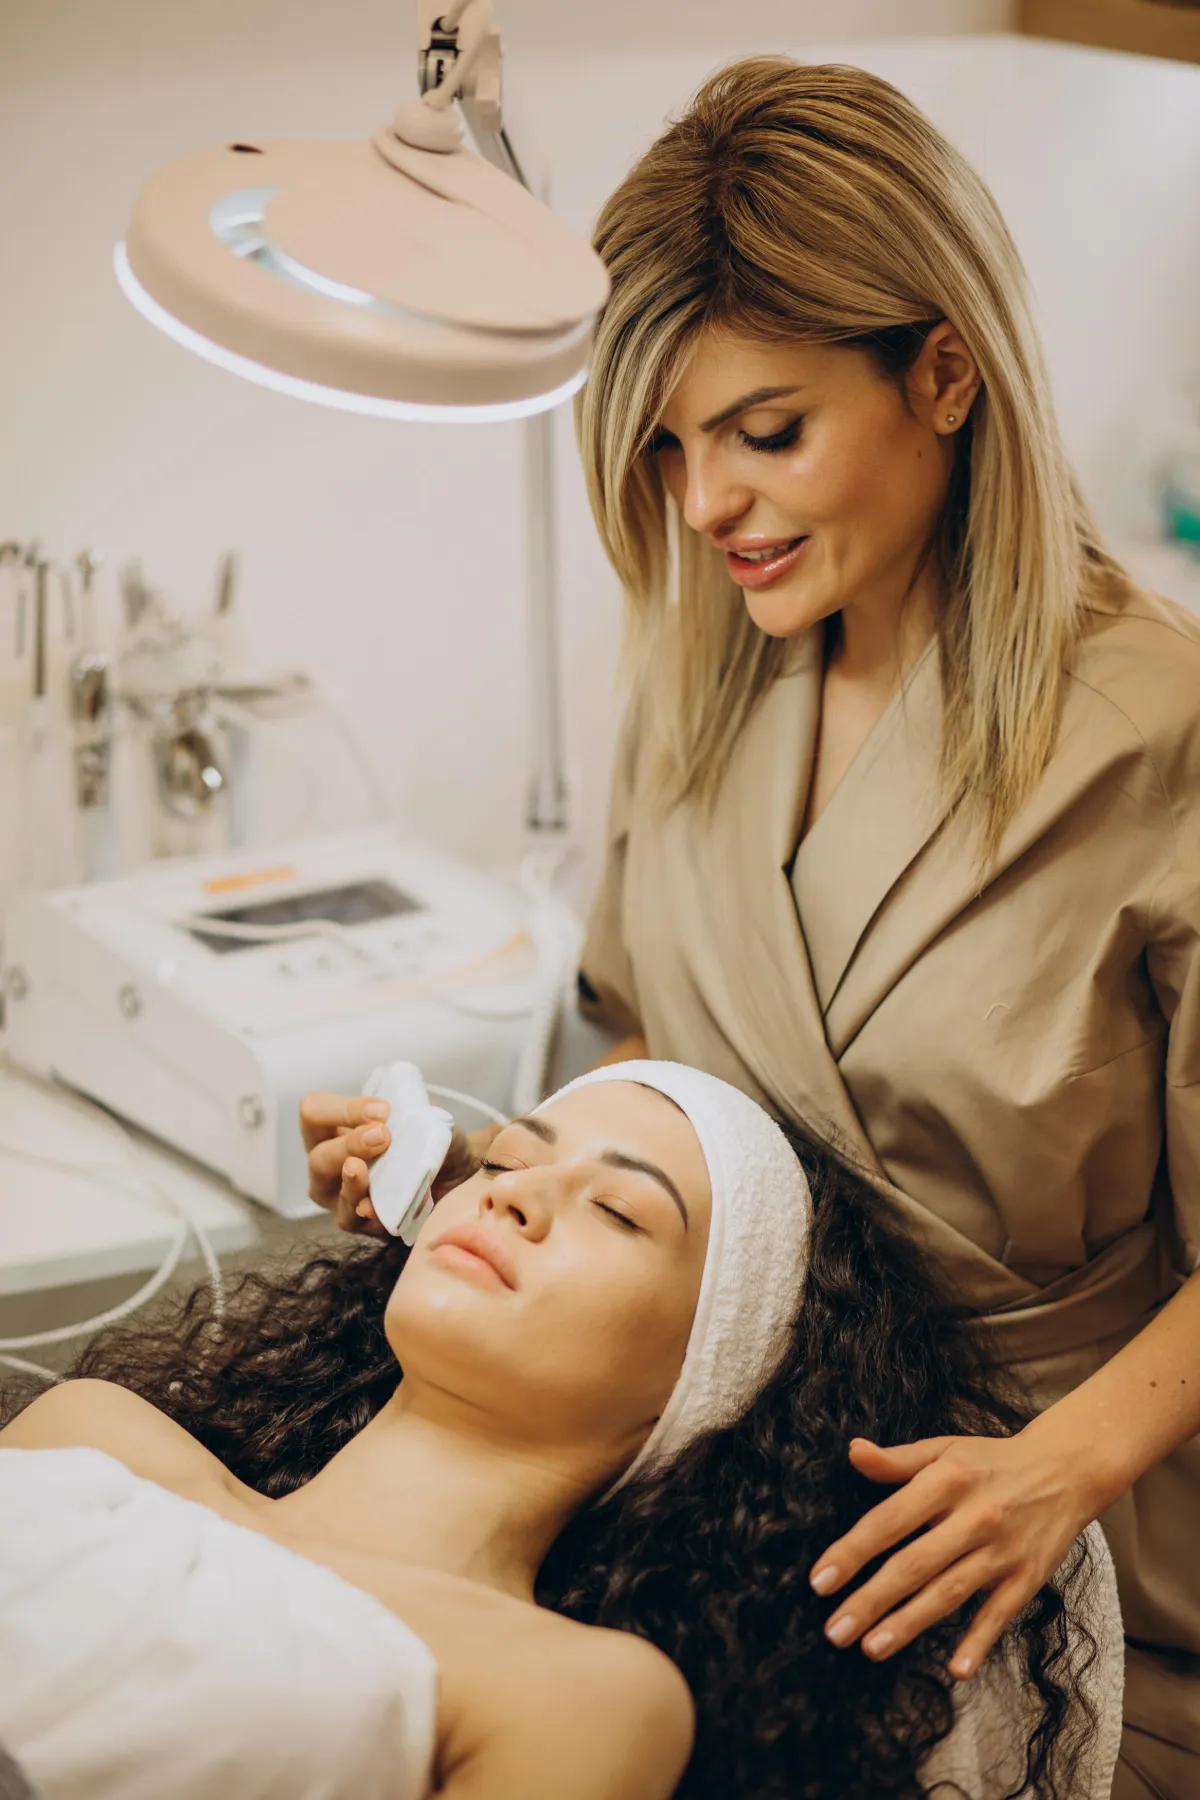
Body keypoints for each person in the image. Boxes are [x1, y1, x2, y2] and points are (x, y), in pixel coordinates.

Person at [304, 56, 1200, 1799]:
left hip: (1076, 1548)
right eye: (667, 444)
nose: (705, 503)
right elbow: (678, 1066)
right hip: (739, 1527)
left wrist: (1064, 1470)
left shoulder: (1159, 734)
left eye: (764, 433)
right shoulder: (707, 673)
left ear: (944, 372)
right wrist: (495, 1177)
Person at [1, 1065, 1118, 1800]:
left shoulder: (574, 1698)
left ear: (711, 1377)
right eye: (503, 1162)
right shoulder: (96, 1435)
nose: (511, 1196)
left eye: (620, 1210)